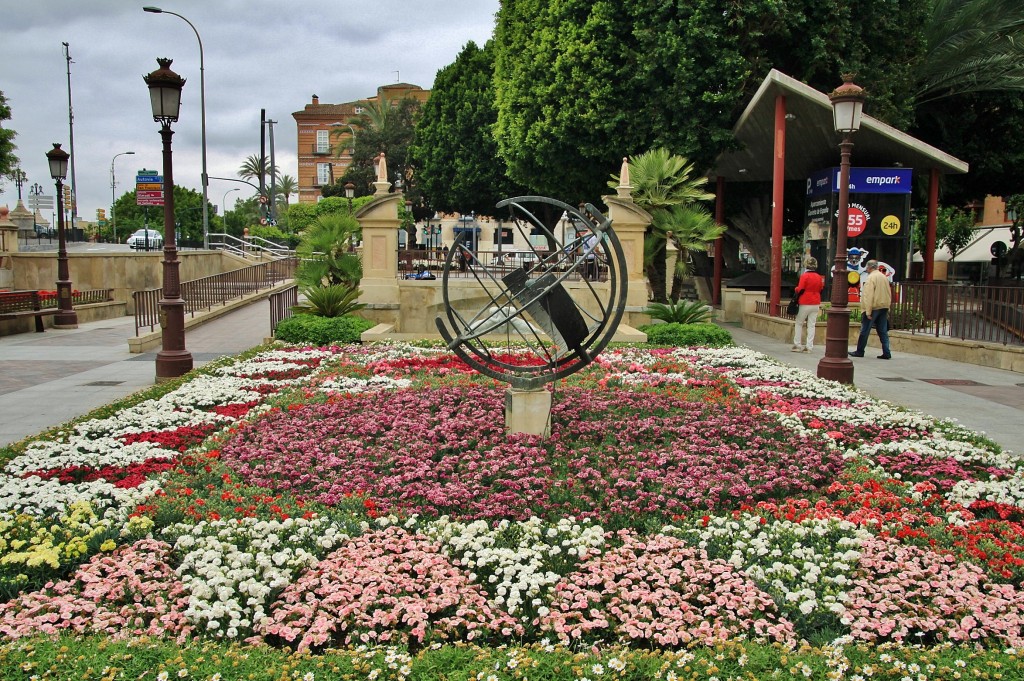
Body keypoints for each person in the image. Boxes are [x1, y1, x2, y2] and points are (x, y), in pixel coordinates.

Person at [849, 259, 892, 359]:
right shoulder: (883, 277)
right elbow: (888, 293)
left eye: (867, 267)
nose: (866, 269)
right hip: (883, 306)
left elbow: (868, 295)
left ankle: (860, 351)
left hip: (873, 307)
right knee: (883, 331)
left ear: (869, 267)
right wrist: (888, 306)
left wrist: (868, 311)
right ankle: (887, 352)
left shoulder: (871, 278)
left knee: (865, 330)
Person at [791, 256, 825, 352]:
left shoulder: (804, 276)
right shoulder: (819, 277)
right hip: (815, 302)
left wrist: (796, 290)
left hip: (805, 302)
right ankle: (809, 346)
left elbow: (800, 288)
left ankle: (797, 345)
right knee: (811, 324)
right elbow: (821, 289)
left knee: (799, 323)